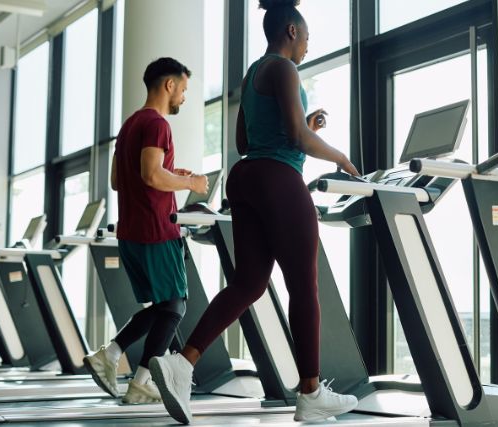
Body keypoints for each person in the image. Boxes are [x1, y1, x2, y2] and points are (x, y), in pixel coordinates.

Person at [149, 0, 360, 424]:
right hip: (279, 179)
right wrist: (339, 157)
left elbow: (246, 141)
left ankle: (182, 363)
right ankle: (311, 391)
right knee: (304, 286)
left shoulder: (253, 72)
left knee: (248, 283)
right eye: (307, 41)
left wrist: (301, 129)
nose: (306, 50)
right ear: (292, 32)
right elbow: (297, 139)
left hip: (245, 178)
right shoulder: (284, 69)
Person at [83, 57, 208, 405]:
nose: (183, 97)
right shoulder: (157, 123)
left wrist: (171, 172)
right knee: (175, 306)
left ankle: (114, 358)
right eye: (183, 90)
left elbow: (119, 180)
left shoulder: (130, 125)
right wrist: (189, 182)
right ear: (169, 85)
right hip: (156, 230)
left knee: (166, 305)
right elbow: (151, 176)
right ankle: (137, 379)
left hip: (131, 233)